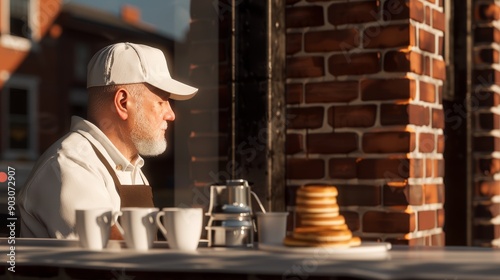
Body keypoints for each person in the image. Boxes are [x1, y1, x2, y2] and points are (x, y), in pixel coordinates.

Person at [18, 42, 198, 239]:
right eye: (161, 102)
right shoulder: (70, 166)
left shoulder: (131, 167)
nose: (171, 115)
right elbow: (109, 260)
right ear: (122, 103)